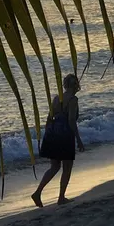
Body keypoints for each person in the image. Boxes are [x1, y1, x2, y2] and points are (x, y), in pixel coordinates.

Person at [32, 74, 85, 207]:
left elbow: (49, 118)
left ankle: (38, 192)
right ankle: (61, 197)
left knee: (54, 166)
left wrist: (46, 135)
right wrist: (79, 140)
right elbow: (71, 120)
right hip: (65, 135)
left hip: (53, 133)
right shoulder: (73, 100)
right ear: (76, 85)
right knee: (67, 167)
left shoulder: (57, 98)